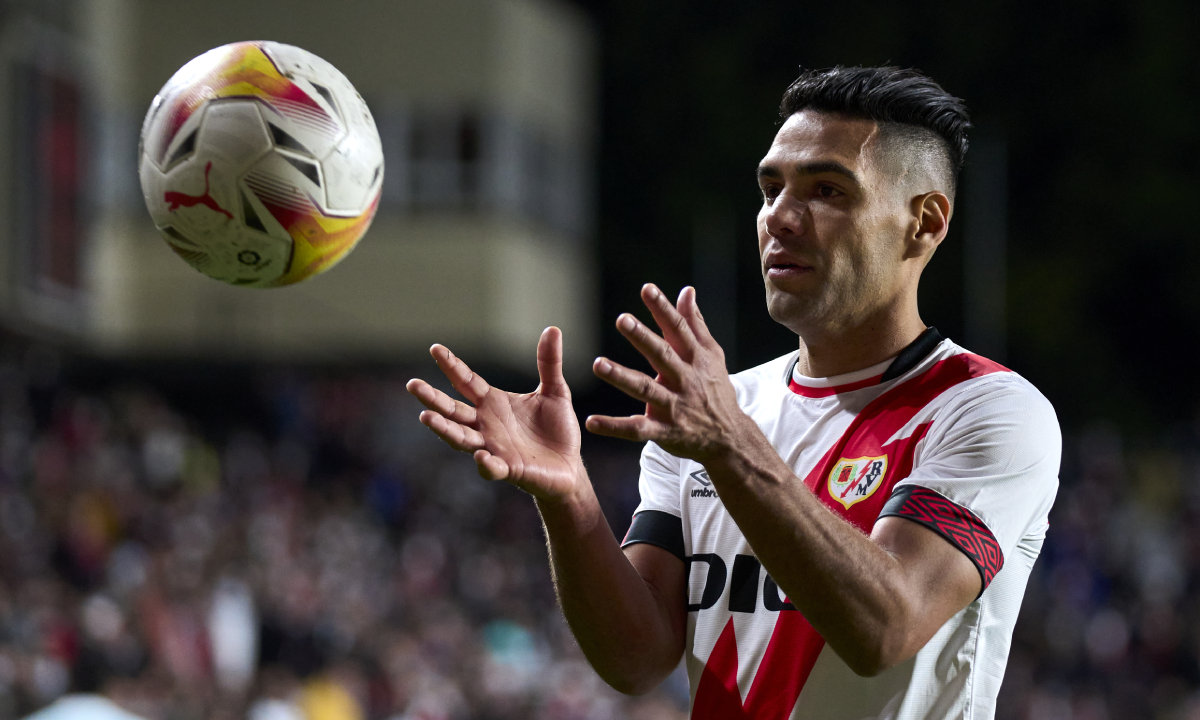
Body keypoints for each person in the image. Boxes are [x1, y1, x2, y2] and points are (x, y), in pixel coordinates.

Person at [406, 66, 1060, 720]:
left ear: (925, 222)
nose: (780, 217)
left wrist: (727, 444)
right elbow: (637, 660)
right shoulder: (714, 412)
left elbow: (884, 628)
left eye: (827, 190)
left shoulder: (988, 410)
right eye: (770, 187)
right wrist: (570, 500)